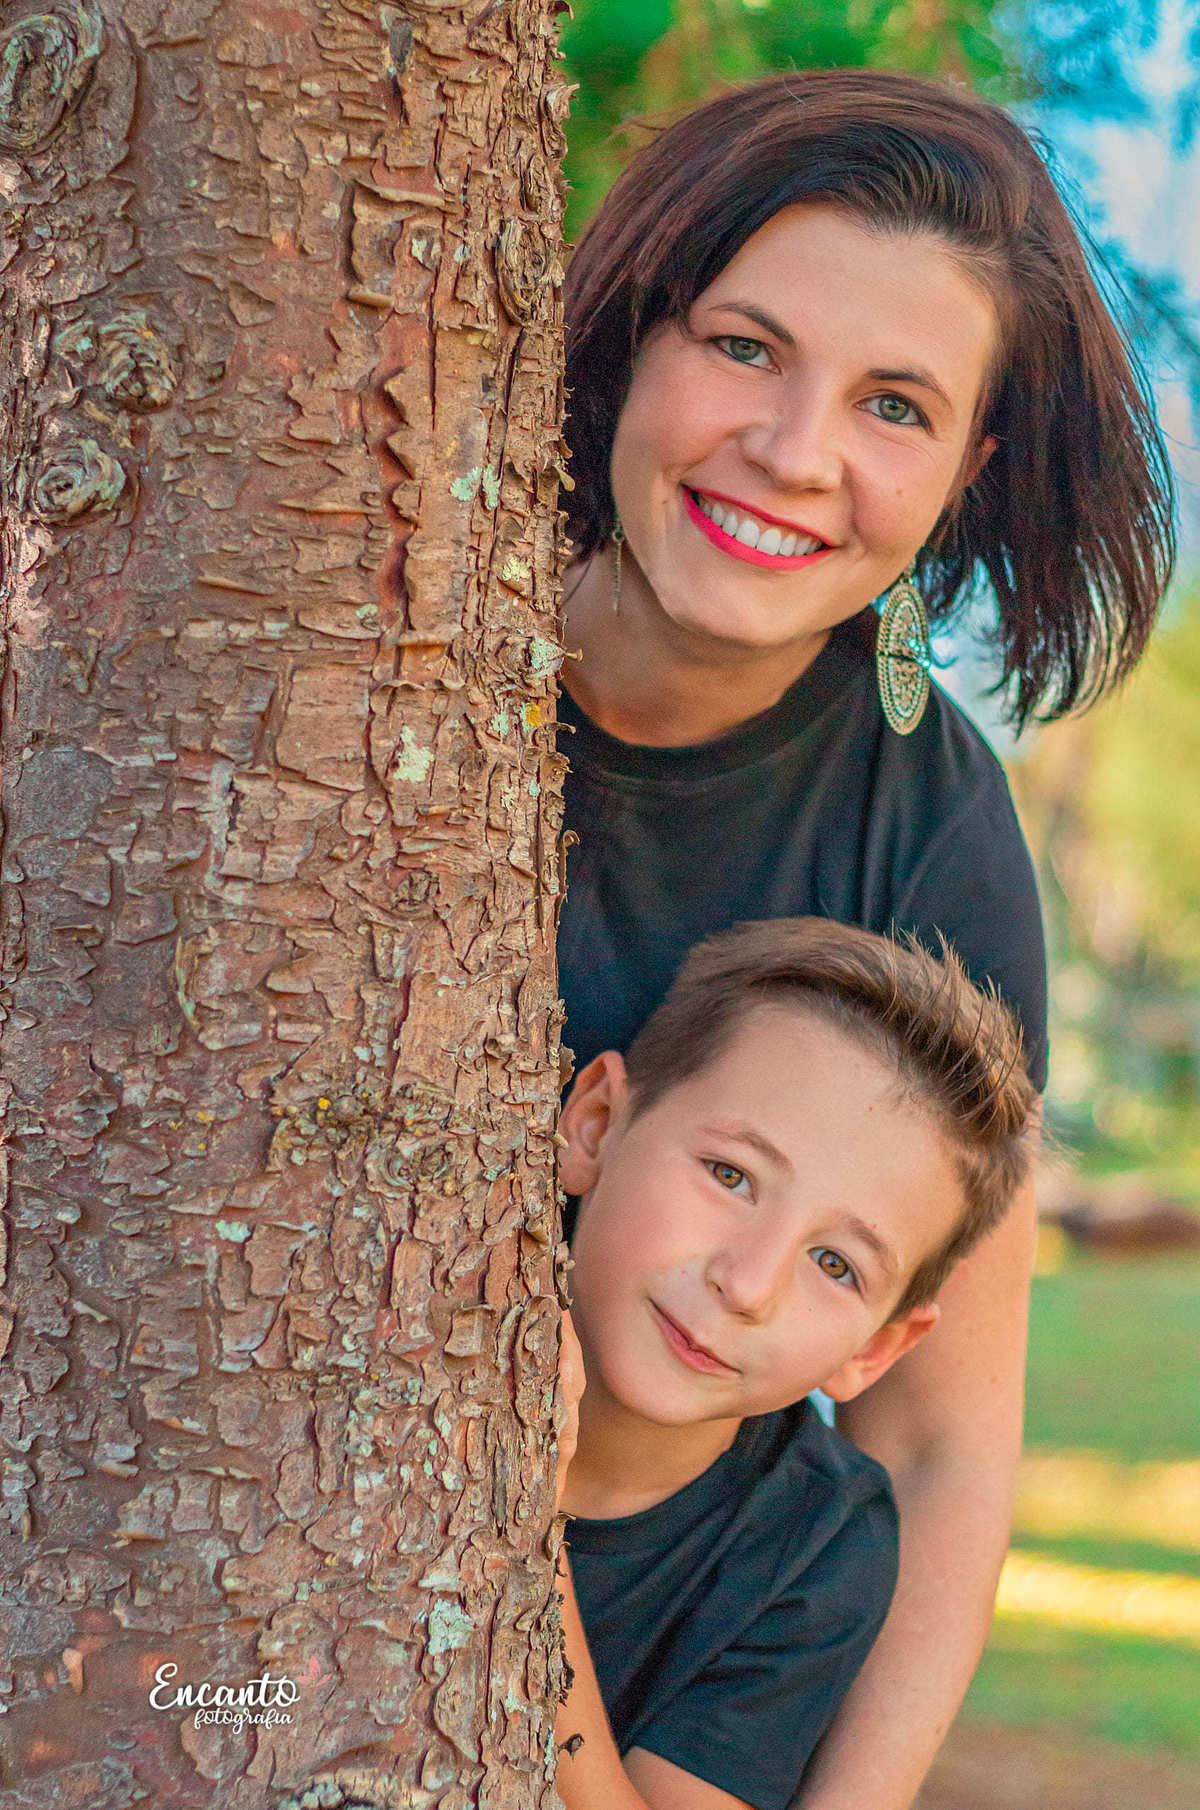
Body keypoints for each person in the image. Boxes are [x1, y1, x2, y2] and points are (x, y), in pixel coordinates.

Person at [555, 69, 1175, 1809]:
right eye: (745, 347)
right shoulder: (357, 626)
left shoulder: (931, 832)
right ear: (633, 333)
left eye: (894, 404)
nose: (797, 450)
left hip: (629, 1667)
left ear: (969, 474)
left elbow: (940, 1432)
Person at [551, 918, 1040, 1810]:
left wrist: (513, 1538)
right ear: (594, 1125)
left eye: (835, 1265)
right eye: (731, 1175)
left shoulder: (818, 1545)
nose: (748, 1284)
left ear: (878, 1348)